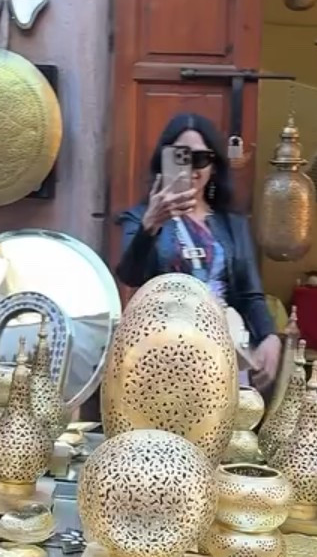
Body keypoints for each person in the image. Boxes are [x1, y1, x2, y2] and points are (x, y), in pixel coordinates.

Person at [114, 113, 281, 386]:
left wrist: (269, 336)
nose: (191, 167)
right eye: (181, 156)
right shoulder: (140, 218)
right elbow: (131, 275)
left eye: (201, 158)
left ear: (214, 166)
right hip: (162, 352)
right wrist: (150, 226)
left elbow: (250, 295)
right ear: (163, 161)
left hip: (221, 353)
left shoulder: (232, 224)